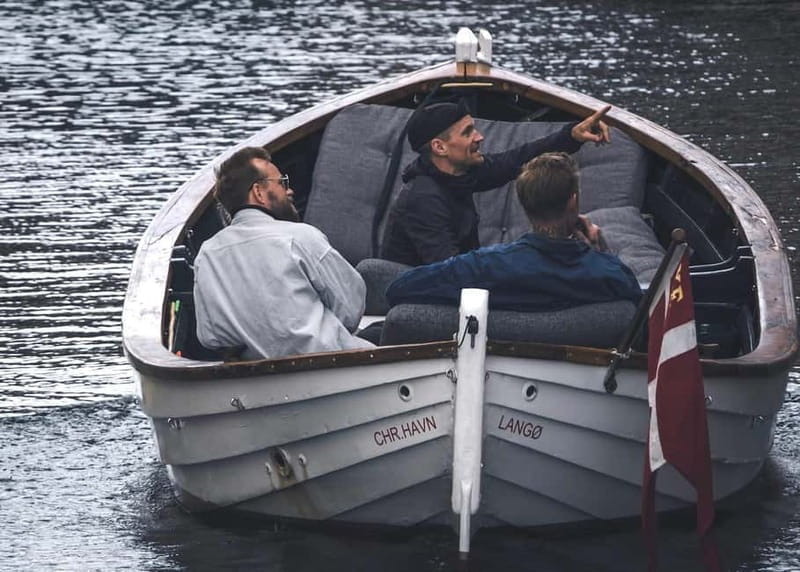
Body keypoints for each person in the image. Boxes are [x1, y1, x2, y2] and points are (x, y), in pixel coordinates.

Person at [385, 152, 642, 311]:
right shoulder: (609, 273)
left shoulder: (483, 266)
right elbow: (637, 309)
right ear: (573, 202)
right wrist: (599, 251)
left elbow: (399, 289)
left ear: (524, 203)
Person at [193, 146, 374, 360]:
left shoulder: (207, 254)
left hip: (249, 373)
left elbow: (210, 336)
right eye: (282, 183)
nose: (289, 191)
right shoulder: (301, 238)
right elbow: (351, 308)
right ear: (258, 192)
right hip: (333, 362)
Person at [380, 100, 612, 266]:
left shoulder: (461, 174)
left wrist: (571, 136)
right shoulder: (423, 199)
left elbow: (516, 159)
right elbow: (451, 271)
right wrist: (527, 252)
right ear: (439, 147)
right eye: (468, 132)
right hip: (422, 305)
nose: (480, 137)